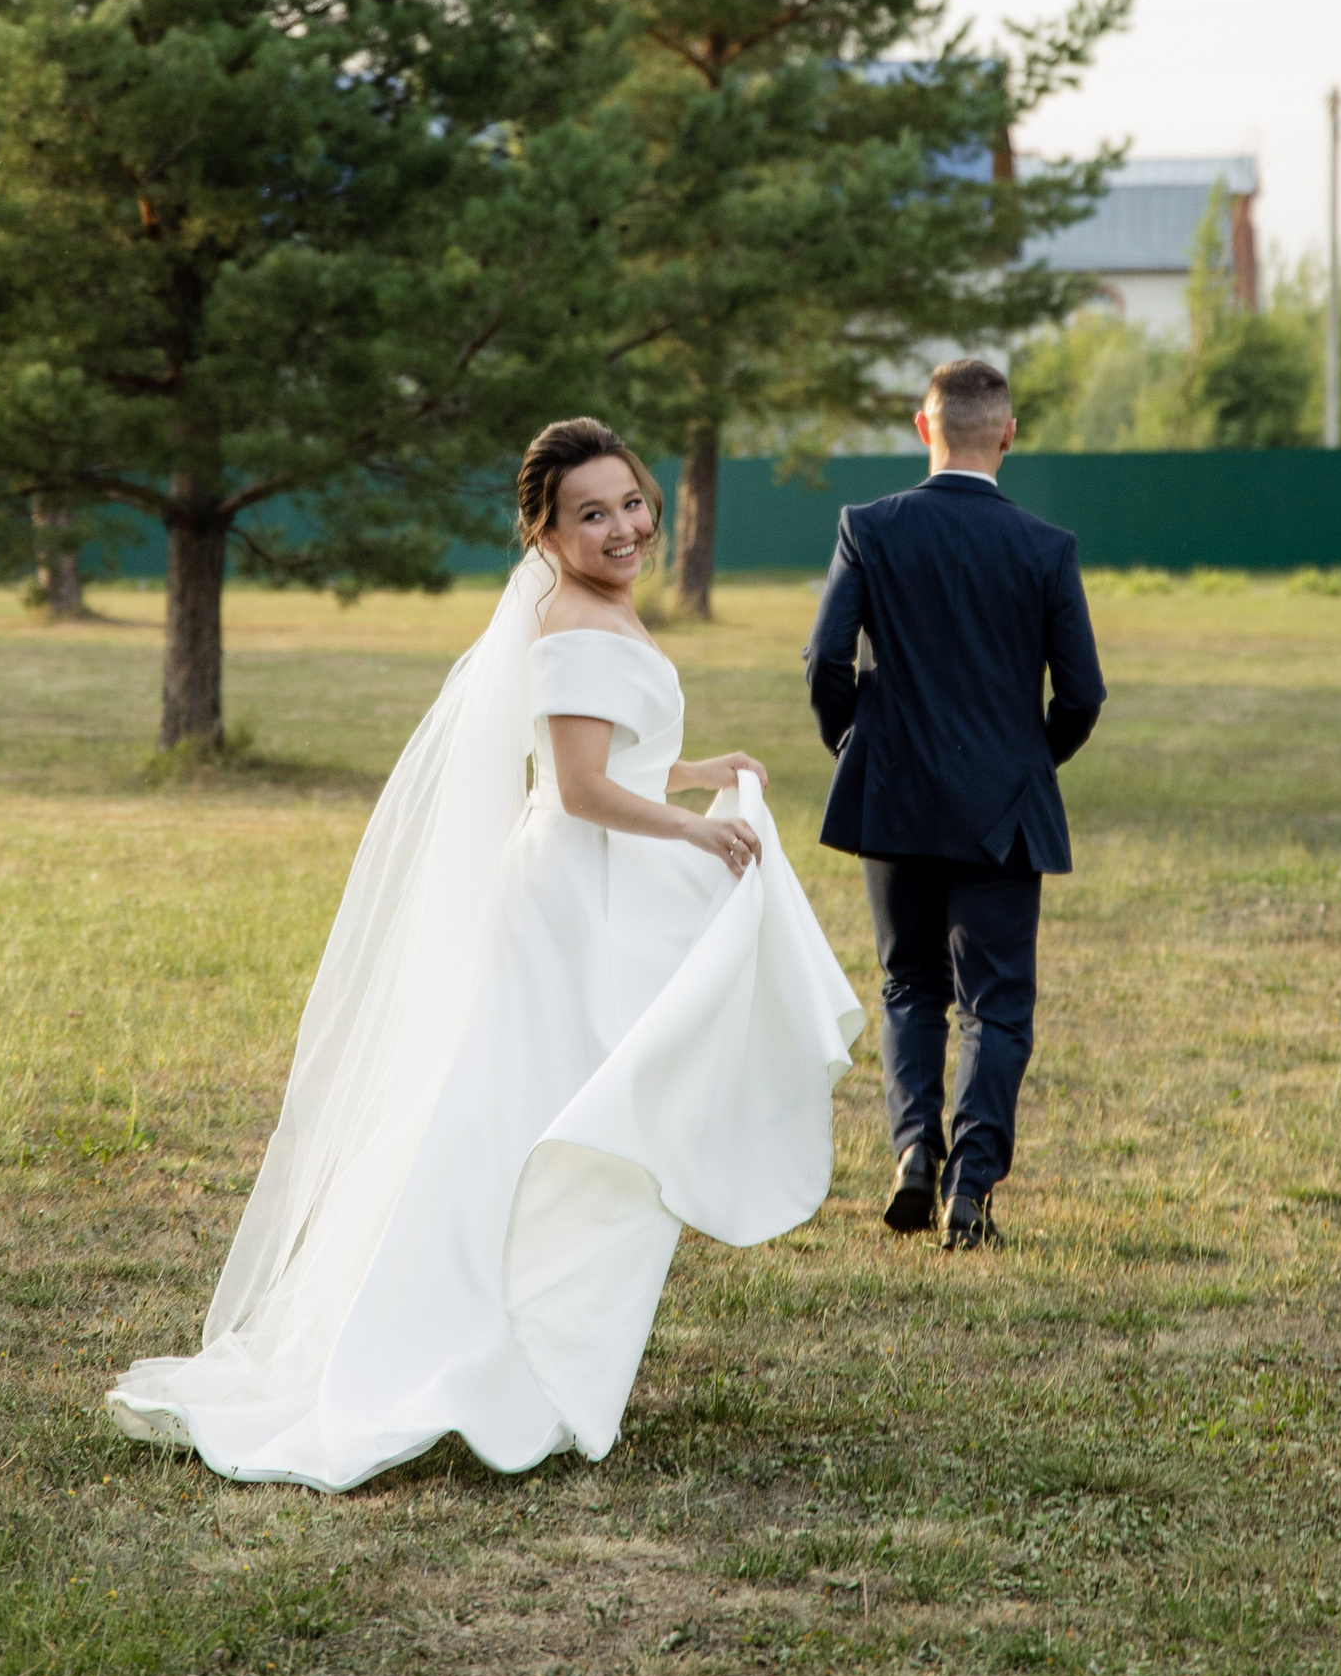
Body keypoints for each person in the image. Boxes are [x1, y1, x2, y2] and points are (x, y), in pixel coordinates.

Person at [109, 418, 862, 1491]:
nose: (622, 528)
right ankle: (470, 1349)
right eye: (589, 515)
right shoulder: (576, 624)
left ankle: (527, 1340)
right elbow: (576, 788)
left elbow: (615, 752)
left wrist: (695, 770)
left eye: (631, 503)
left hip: (580, 883)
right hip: (571, 899)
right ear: (544, 533)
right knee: (531, 1119)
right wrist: (693, 829)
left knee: (546, 1111)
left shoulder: (592, 609)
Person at [804, 356, 1104, 1252]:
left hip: (894, 795)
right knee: (996, 1004)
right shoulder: (1047, 547)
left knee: (910, 987)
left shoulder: (869, 528)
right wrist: (1027, 763)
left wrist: (857, 748)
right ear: (1007, 434)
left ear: (921, 426)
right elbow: (1081, 696)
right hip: (1001, 808)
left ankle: (910, 1158)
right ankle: (971, 1185)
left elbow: (824, 664)